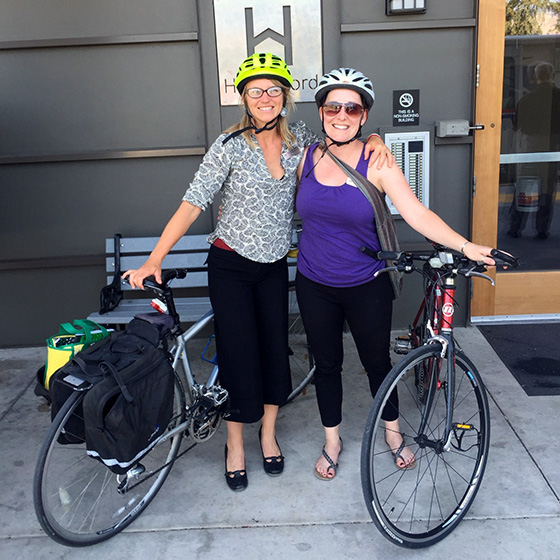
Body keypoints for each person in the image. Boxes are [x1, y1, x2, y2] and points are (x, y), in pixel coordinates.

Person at [123, 54, 393, 492]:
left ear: (285, 96)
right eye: (255, 91)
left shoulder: (300, 141)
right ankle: (235, 443)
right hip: (231, 265)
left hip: (273, 266)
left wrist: (377, 136)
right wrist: (156, 257)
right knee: (237, 353)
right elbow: (192, 203)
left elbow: (345, 139)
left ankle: (267, 435)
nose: (265, 98)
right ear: (244, 98)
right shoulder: (228, 146)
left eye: (273, 90)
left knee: (274, 350)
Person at [294, 67, 498, 480]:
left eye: (352, 108)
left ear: (364, 116)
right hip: (313, 282)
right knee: (327, 364)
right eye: (333, 105)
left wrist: (465, 245)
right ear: (320, 111)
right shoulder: (306, 158)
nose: (341, 114)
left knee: (376, 363)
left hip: (365, 283)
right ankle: (332, 440)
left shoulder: (378, 160)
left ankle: (392, 433)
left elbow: (416, 214)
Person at [509, 61, 560, 239]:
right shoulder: (558, 96)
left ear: (535, 77)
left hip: (530, 146)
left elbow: (516, 125)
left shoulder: (526, 99)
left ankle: (516, 227)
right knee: (547, 188)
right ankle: (542, 229)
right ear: (552, 75)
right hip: (553, 146)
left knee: (525, 185)